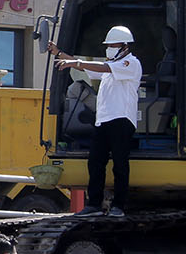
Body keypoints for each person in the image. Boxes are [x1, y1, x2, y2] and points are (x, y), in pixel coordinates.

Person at [50, 26, 142, 214]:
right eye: (108, 45)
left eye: (112, 45)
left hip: (122, 121)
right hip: (103, 121)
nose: (108, 49)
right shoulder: (111, 66)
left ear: (124, 46)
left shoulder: (130, 64)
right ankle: (93, 205)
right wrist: (60, 54)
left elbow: (102, 68)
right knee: (95, 162)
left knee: (120, 165)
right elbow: (95, 70)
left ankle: (118, 206)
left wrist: (74, 62)